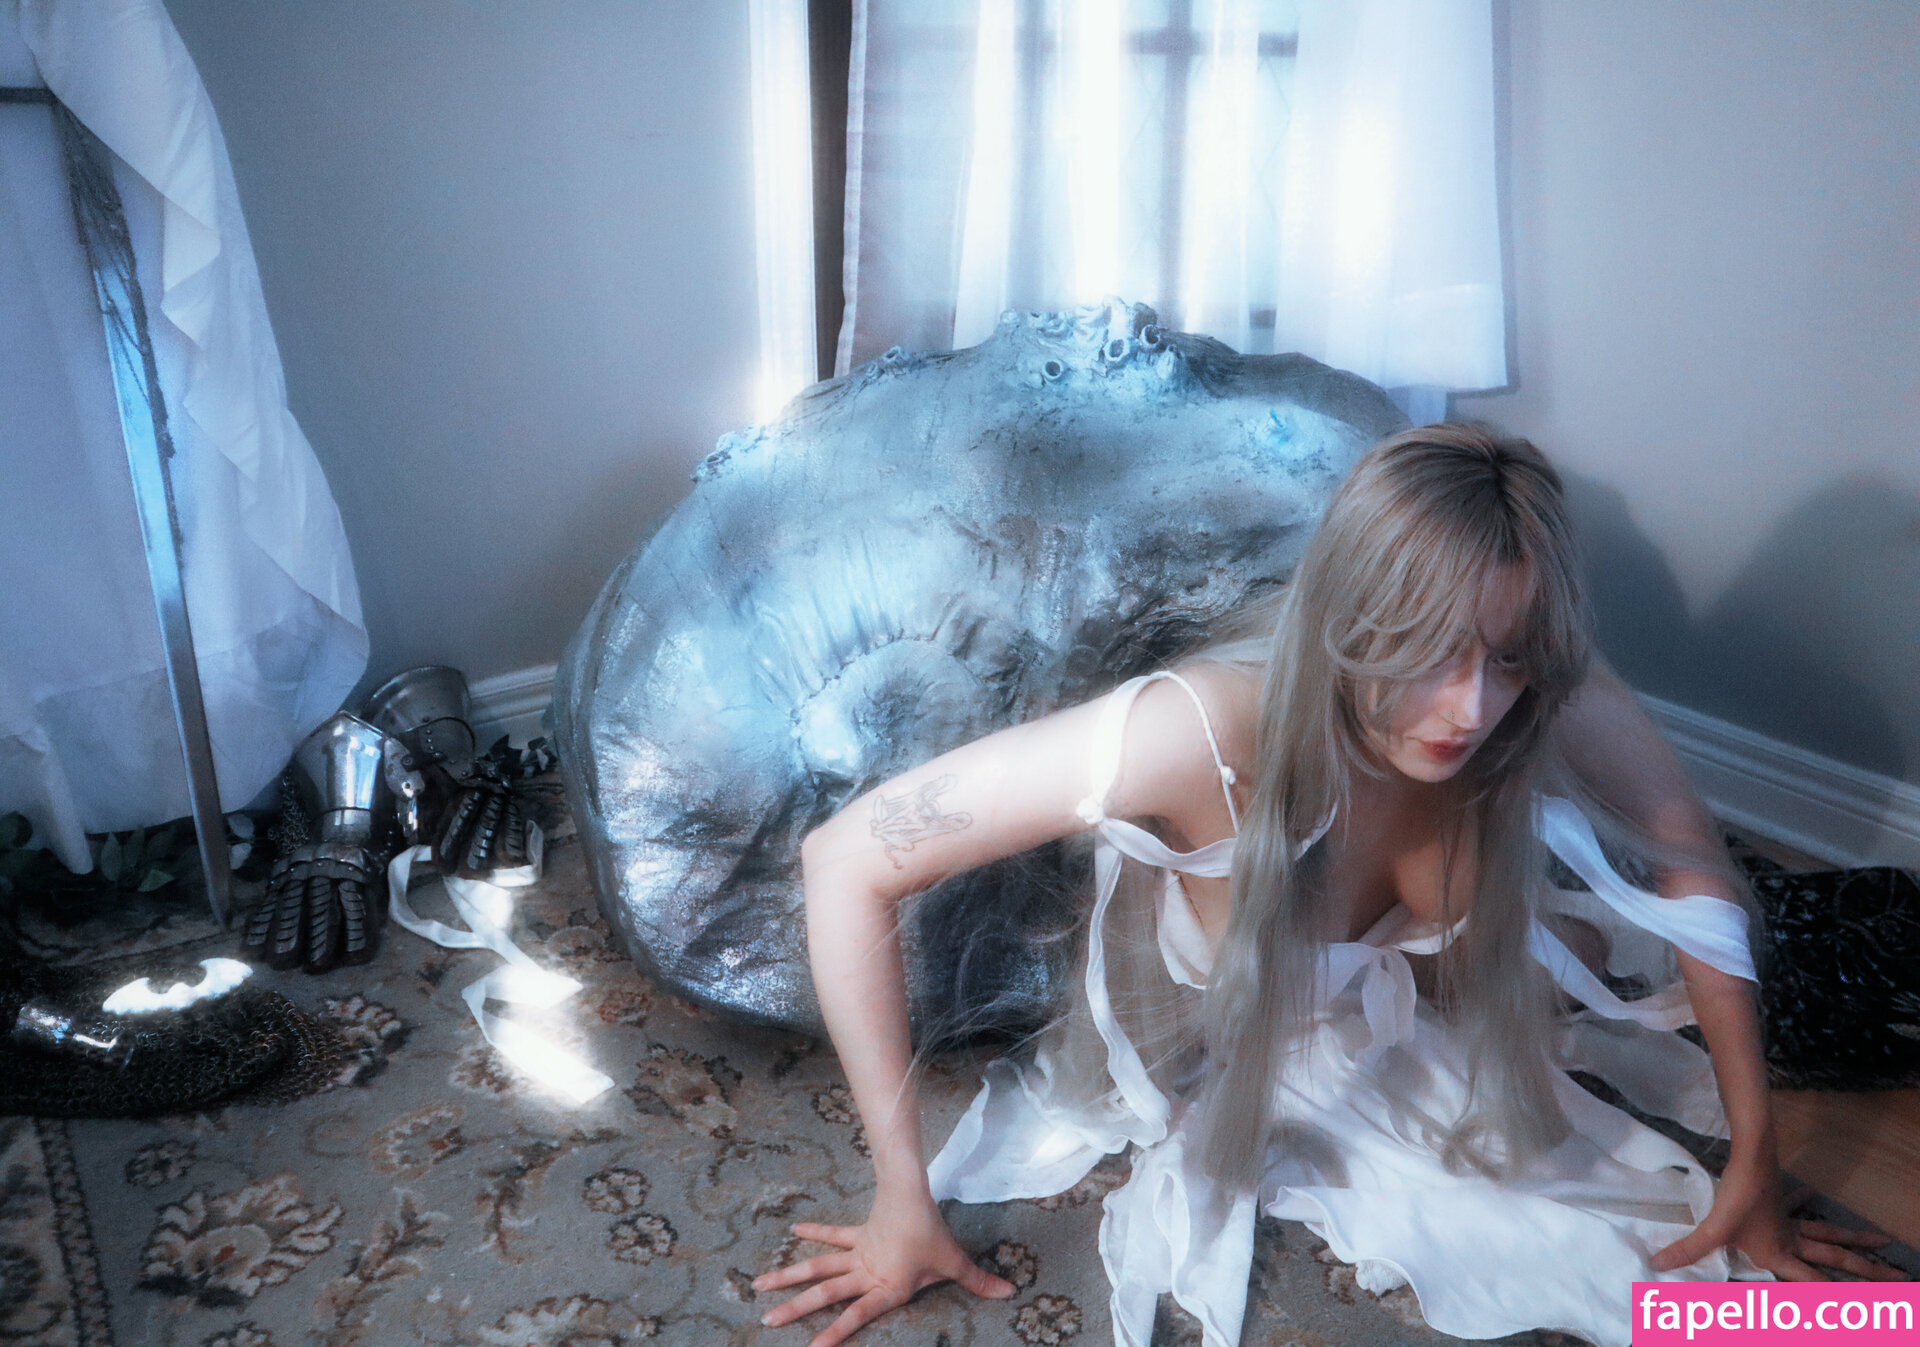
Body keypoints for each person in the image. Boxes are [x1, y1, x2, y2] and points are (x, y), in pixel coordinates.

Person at [751, 425, 1897, 1347]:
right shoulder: (1195, 733)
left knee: (1741, 1279)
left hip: (1433, 1020)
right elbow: (845, 858)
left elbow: (1690, 855)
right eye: (1431, 650)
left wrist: (1754, 1153)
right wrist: (901, 1196)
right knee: (1585, 1261)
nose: (1471, 708)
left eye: (1504, 655)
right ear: (1355, 620)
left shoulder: (1540, 680)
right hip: (1222, 1047)